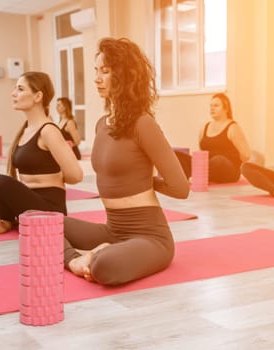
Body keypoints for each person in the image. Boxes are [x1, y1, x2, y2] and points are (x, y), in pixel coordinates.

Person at [63, 37, 190, 286]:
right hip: (113, 230)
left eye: (106, 71)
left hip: (150, 237)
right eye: (96, 71)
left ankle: (97, 256)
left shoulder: (143, 124)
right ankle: (77, 260)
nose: (97, 78)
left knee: (104, 267)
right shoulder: (101, 125)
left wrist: (146, 181)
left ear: (125, 76)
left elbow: (181, 188)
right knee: (41, 224)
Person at [0, 71, 83, 234]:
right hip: (26, 200)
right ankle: (1, 219)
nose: (13, 93)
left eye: (20, 89)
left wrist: (49, 177)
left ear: (37, 97)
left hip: (48, 207)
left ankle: (5, 220)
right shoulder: (25, 130)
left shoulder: (48, 131)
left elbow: (76, 175)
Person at [198, 93, 251, 183]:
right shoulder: (205, 127)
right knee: (182, 157)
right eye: (211, 105)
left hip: (228, 171)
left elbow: (246, 155)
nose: (212, 108)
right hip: (209, 168)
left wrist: (235, 162)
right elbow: (201, 152)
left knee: (218, 160)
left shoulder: (232, 127)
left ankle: (198, 175)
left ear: (226, 108)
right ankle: (198, 174)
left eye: (216, 105)